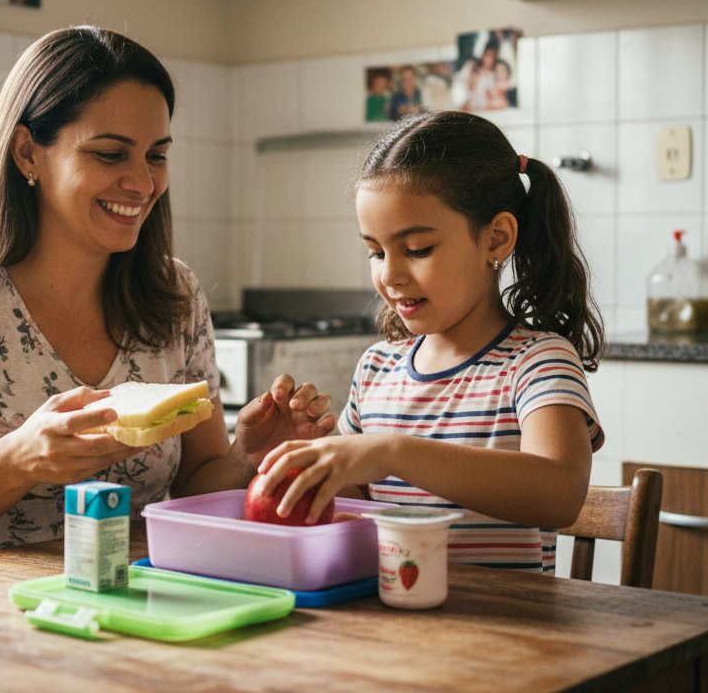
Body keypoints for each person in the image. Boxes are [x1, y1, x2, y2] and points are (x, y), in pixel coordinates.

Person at [0, 27, 335, 567]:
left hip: (139, 607)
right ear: (27, 154)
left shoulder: (175, 298)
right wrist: (19, 459)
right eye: (110, 155)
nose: (142, 183)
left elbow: (194, 486)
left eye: (156, 156)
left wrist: (246, 456)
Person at [257, 111, 606, 574]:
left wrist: (390, 451)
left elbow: (559, 493)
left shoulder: (537, 363)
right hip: (392, 628)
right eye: (376, 252)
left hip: (508, 638)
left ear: (496, 239)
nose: (390, 275)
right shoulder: (377, 368)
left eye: (418, 249)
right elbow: (359, 502)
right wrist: (310, 460)